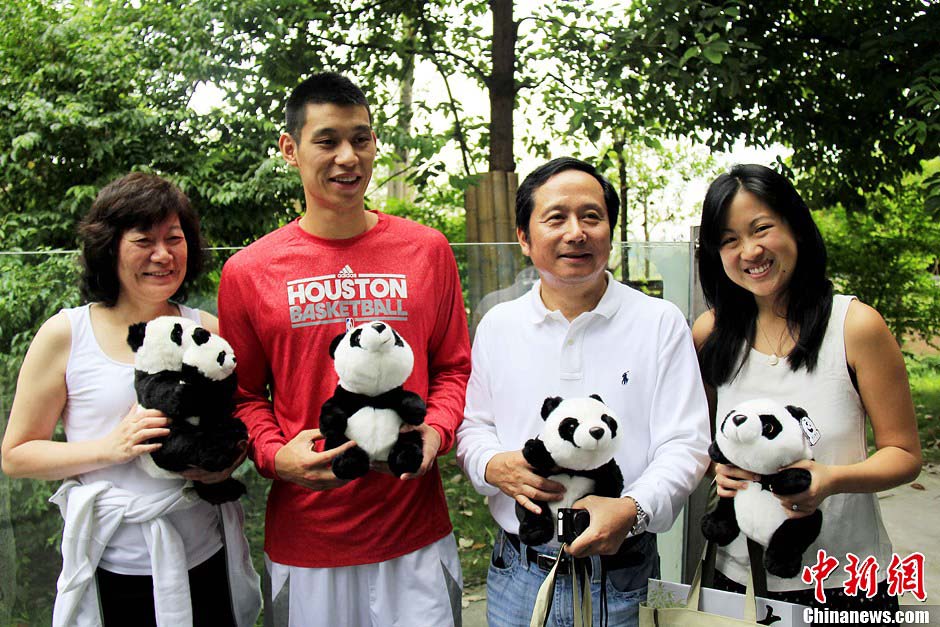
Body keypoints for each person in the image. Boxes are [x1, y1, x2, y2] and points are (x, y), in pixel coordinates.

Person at [217, 72, 471, 627]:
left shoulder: (427, 252)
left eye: (361, 138)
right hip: (308, 541)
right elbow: (240, 394)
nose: (347, 157)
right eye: (327, 140)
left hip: (414, 535)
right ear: (291, 149)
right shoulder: (249, 271)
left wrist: (437, 430)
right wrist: (274, 455)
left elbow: (453, 368)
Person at [456, 157, 711, 626]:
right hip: (518, 571)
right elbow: (475, 427)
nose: (576, 232)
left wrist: (632, 510)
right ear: (523, 238)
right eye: (556, 218)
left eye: (591, 216)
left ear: (610, 232)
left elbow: (687, 443)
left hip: (623, 576)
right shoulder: (499, 325)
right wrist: (492, 465)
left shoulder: (658, 323)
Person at [0, 172, 260, 626]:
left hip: (205, 553)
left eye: (174, 239)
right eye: (144, 240)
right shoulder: (66, 334)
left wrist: (226, 462)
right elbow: (17, 455)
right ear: (110, 247)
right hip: (112, 564)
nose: (163, 255)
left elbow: (240, 423)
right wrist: (109, 448)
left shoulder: (208, 329)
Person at [692, 164, 922, 609]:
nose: (750, 251)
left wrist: (831, 480)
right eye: (729, 240)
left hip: (844, 584)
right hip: (740, 579)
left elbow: (905, 455)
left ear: (795, 226)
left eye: (762, 228)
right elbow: (698, 446)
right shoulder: (711, 333)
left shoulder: (855, 326)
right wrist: (715, 468)